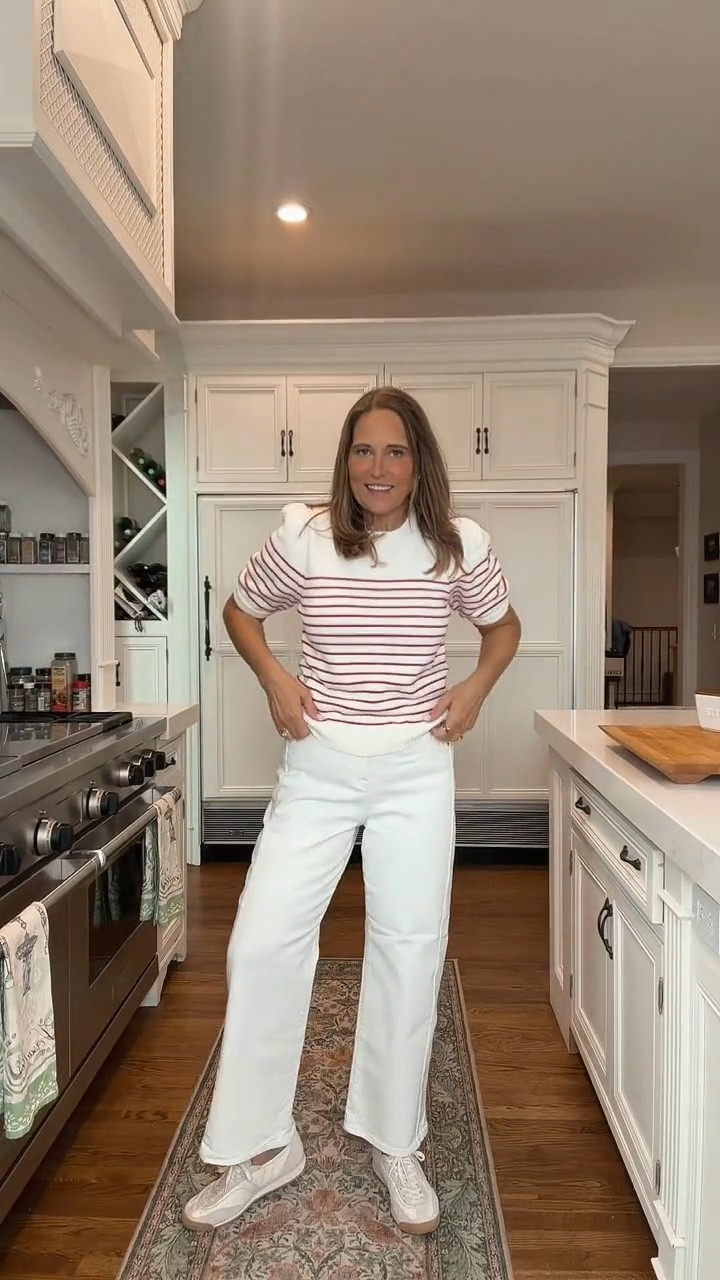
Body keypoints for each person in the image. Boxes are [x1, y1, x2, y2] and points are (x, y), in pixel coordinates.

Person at [183, 386, 521, 1236]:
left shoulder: (457, 545)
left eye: (396, 452)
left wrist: (476, 688)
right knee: (262, 940)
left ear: (420, 462)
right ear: (346, 459)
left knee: (410, 947)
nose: (378, 468)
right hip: (319, 765)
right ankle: (262, 1146)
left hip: (417, 767)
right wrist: (275, 679)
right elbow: (239, 609)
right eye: (364, 451)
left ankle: (393, 1138)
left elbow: (504, 627)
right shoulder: (305, 536)